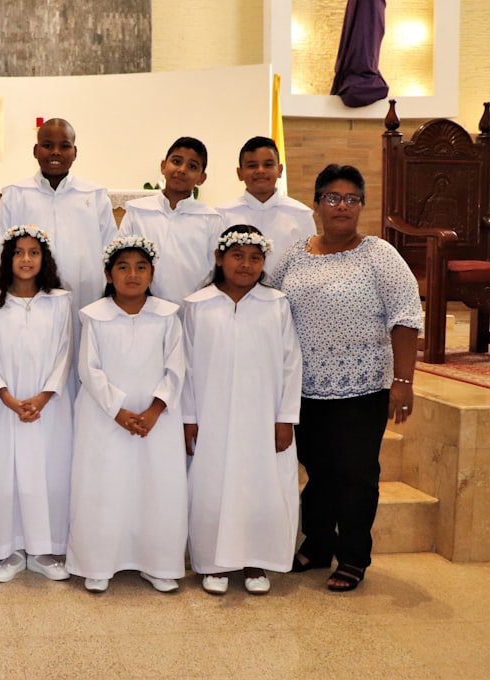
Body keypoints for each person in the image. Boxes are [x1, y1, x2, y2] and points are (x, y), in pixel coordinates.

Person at [271, 164, 423, 592]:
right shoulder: (295, 254)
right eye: (333, 198)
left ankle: (353, 555)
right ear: (317, 204)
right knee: (318, 471)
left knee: (356, 473)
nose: (342, 207)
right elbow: (270, 309)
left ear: (362, 206)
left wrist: (404, 381)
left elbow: (406, 317)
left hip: (362, 387)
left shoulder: (379, 255)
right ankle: (318, 544)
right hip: (305, 388)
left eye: (352, 199)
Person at [182, 225, 302, 596]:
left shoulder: (276, 304)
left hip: (262, 416)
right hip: (212, 414)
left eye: (255, 257)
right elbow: (184, 366)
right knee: (212, 484)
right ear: (219, 258)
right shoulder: (197, 305)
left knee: (259, 484)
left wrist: (285, 418)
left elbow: (290, 363)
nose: (246, 265)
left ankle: (256, 560)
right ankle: (214, 563)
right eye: (237, 255)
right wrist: (189, 417)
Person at [66, 236, 188, 594]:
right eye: (122, 267)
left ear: (152, 273)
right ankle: (99, 561)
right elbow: (89, 369)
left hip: (157, 420)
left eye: (141, 267)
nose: (132, 274)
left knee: (157, 486)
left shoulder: (167, 316)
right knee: (104, 485)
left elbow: (176, 367)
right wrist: (118, 410)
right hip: (105, 418)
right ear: (108, 273)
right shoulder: (94, 316)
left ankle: (159, 562)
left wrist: (154, 409)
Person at [0, 225, 74, 583]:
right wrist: (8, 398)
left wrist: (43, 396)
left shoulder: (60, 301)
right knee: (5, 474)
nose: (27, 259)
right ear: (7, 259)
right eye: (19, 252)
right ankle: (10, 549)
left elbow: (65, 353)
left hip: (49, 407)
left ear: (44, 259)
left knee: (48, 472)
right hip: (6, 406)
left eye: (34, 252)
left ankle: (44, 549)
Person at [0, 118, 118, 338]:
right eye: (47, 145)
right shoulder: (16, 194)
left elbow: (111, 250)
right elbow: (1, 252)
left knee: (83, 352)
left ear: (75, 152)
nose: (55, 152)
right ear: (35, 150)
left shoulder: (94, 195)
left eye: (64, 146)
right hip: (30, 297)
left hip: (84, 295)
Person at [120, 136, 225, 306]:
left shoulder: (211, 219)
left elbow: (216, 272)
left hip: (193, 310)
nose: (182, 170)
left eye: (192, 166)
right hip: (144, 310)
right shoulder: (137, 212)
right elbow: (121, 260)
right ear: (163, 166)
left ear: (202, 178)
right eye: (176, 161)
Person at [217, 136, 317, 277]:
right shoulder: (222, 215)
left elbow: (309, 267)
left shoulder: (301, 215)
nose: (260, 171)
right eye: (252, 165)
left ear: (280, 170)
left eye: (268, 164)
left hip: (287, 297)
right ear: (240, 173)